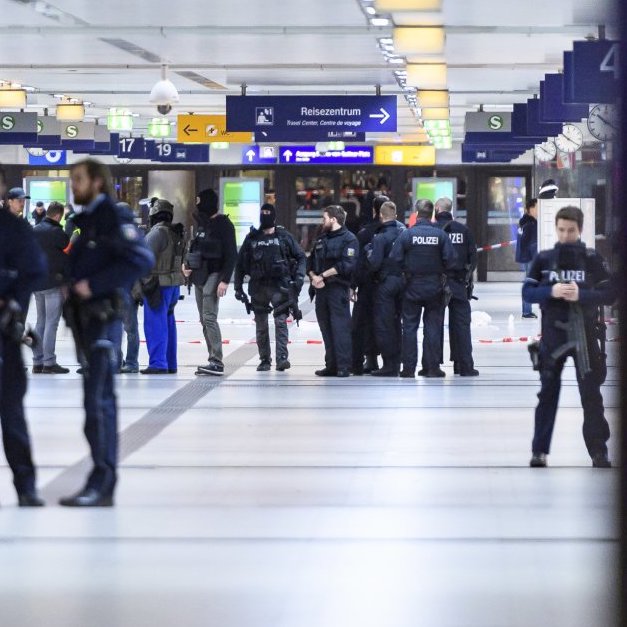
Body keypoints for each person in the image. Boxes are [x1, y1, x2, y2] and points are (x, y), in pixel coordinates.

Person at [61, 158, 154, 507]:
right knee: (95, 402)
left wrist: (93, 285)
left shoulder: (113, 217)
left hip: (104, 319)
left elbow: (140, 259)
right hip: (85, 320)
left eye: (79, 180)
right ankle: (100, 478)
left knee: (99, 403)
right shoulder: (85, 219)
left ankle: (102, 481)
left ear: (98, 182)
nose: (74, 186)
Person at [522, 206, 615, 468]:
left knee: (591, 395)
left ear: (580, 230)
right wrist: (550, 292)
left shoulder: (591, 259)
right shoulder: (544, 259)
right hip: (553, 335)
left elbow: (610, 294)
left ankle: (599, 451)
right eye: (561, 230)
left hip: (584, 334)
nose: (565, 235)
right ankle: (539, 451)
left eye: (570, 230)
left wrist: (581, 295)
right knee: (547, 394)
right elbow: (528, 293)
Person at [0, 204, 47, 506]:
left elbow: (35, 269)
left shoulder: (12, 228)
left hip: (4, 332)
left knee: (12, 414)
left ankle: (26, 486)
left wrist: (11, 298)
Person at [234, 203, 306, 372]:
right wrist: (238, 287)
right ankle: (264, 359)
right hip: (258, 287)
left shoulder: (283, 237)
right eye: (262, 212)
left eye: (268, 213)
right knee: (261, 326)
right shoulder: (252, 238)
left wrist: (299, 280)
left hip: (280, 287)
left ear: (273, 216)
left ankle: (282, 358)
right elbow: (240, 264)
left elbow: (301, 256)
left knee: (281, 323)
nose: (264, 215)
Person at [390, 199, 457, 378]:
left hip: (411, 287)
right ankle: (431, 368)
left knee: (409, 328)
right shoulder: (440, 235)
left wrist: (405, 273)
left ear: (416, 213)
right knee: (433, 328)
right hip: (435, 287)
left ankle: (408, 368)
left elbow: (394, 259)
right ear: (432, 214)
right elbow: (451, 260)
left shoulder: (407, 235)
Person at [182, 188, 237, 376]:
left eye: (199, 202)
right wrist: (187, 266)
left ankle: (217, 360)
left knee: (209, 317)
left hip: (215, 274)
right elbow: (197, 248)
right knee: (203, 319)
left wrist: (225, 281)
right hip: (199, 276)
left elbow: (231, 255)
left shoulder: (224, 225)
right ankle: (212, 358)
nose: (197, 206)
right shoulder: (203, 225)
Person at [308, 205, 359, 377]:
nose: (323, 222)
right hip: (321, 290)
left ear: (333, 220)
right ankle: (331, 365)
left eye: (324, 218)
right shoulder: (321, 239)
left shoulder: (349, 239)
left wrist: (321, 276)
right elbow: (310, 262)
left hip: (338, 289)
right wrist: (313, 276)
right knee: (326, 328)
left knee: (340, 329)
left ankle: (344, 366)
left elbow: (347, 264)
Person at [434, 197, 479, 376]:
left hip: (437, 283)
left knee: (434, 324)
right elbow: (473, 259)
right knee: (461, 325)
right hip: (459, 283)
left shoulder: (433, 231)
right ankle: (464, 365)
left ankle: (433, 365)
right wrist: (466, 278)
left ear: (437, 209)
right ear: (451, 210)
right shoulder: (464, 230)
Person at [140, 199, 185, 375]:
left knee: (155, 324)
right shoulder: (175, 233)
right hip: (173, 285)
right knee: (168, 323)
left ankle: (158, 363)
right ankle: (170, 362)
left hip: (157, 285)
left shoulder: (156, 233)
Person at [351, 194, 390, 375]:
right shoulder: (397, 231)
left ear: (374, 210)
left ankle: (367, 360)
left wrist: (353, 285)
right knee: (388, 322)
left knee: (362, 323)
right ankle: (390, 361)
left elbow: (358, 263)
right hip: (388, 284)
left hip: (367, 285)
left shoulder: (365, 233)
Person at [365, 200, 405, 377]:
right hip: (403, 282)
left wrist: (368, 252)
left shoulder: (380, 237)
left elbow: (374, 264)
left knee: (384, 324)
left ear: (380, 215)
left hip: (385, 283)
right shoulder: (404, 233)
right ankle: (400, 361)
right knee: (399, 323)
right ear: (395, 215)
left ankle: (389, 365)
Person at [31, 201, 70, 374]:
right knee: (51, 323)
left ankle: (37, 362)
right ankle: (49, 362)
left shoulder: (35, 229)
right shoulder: (56, 232)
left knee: (40, 322)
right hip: (53, 283)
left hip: (37, 283)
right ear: (57, 215)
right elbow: (68, 247)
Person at [516, 198, 538, 318]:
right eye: (536, 207)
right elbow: (528, 243)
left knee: (529, 282)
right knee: (529, 283)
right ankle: (526, 311)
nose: (539, 210)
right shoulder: (530, 224)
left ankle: (527, 310)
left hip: (529, 257)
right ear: (529, 209)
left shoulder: (527, 222)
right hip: (531, 257)